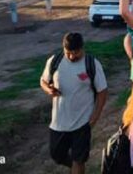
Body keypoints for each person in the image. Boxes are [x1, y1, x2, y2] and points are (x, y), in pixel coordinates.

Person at [40, 33, 108, 174]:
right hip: (59, 122)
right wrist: (48, 89)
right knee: (57, 155)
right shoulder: (55, 61)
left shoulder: (92, 64)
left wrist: (95, 116)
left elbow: (102, 91)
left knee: (79, 159)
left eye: (75, 53)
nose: (71, 56)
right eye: (68, 53)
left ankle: (78, 167)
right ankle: (77, 168)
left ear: (82, 48)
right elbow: (43, 81)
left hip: (82, 122)